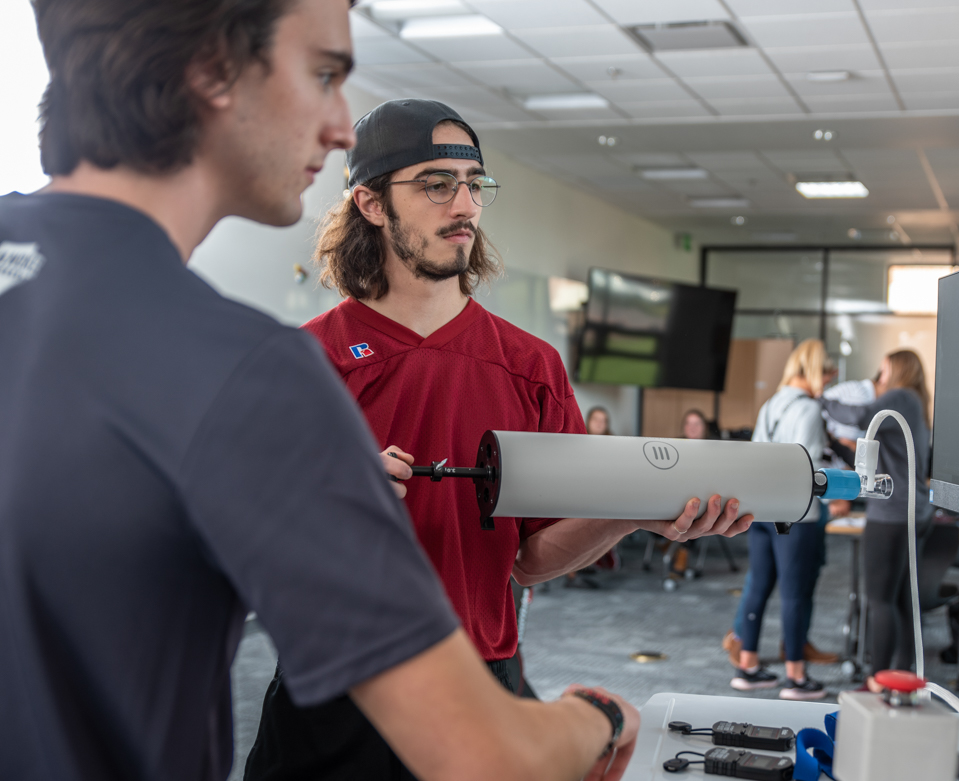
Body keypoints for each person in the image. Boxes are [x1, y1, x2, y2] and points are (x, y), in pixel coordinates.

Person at [0, 1, 640, 778]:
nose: (341, 126)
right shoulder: (257, 369)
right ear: (211, 72)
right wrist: (599, 716)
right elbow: (483, 754)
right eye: (324, 73)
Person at [244, 97, 754, 779]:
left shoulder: (530, 366)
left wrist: (630, 512)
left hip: (487, 682)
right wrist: (330, 496)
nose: (464, 204)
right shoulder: (303, 364)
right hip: (334, 690)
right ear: (369, 203)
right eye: (435, 184)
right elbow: (246, 555)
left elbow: (530, 559)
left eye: (473, 184)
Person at [730, 339, 833, 701]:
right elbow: (808, 467)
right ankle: (795, 676)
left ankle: (748, 666)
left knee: (758, 586)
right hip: (796, 514)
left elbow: (759, 455)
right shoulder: (807, 409)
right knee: (795, 593)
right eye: (828, 370)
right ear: (816, 371)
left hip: (761, 508)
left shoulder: (772, 403)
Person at [822, 349, 935, 674]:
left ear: (895, 371)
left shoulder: (900, 397)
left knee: (880, 599)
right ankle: (901, 674)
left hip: (892, 514)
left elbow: (859, 417)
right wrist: (837, 445)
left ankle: (878, 679)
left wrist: (822, 401)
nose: (878, 377)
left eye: (883, 370)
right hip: (911, 510)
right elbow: (876, 459)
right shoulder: (914, 403)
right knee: (900, 598)